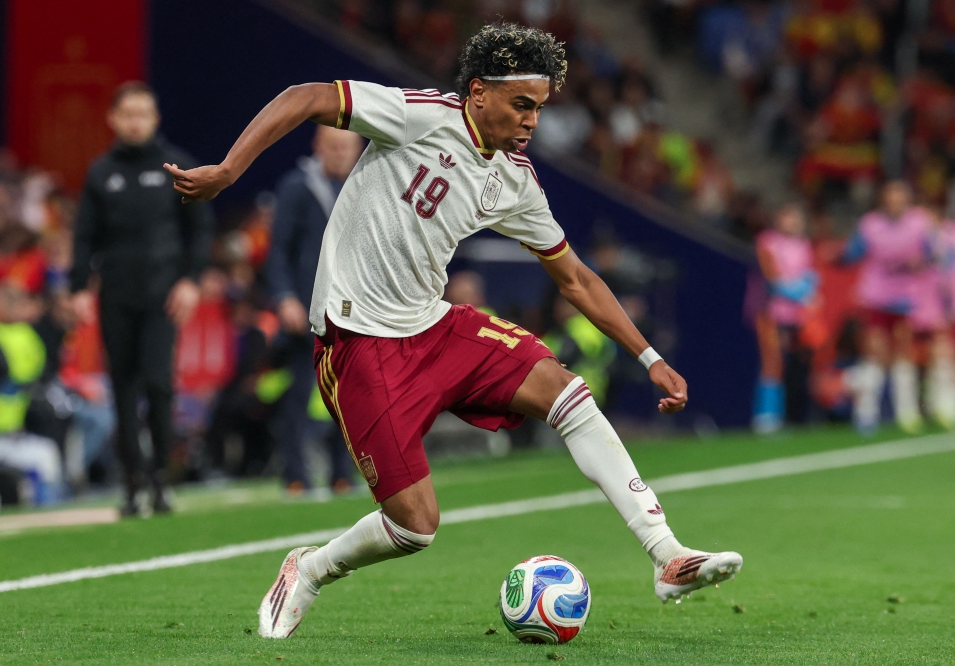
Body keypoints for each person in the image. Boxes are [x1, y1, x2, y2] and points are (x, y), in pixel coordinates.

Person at [165, 22, 742, 639]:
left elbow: (575, 279)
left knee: (566, 391)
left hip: (433, 325)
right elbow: (306, 96)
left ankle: (666, 555)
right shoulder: (420, 116)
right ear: (478, 92)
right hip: (357, 340)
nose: (531, 121)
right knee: (414, 526)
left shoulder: (514, 180)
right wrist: (229, 170)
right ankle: (309, 569)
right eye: (521, 104)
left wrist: (649, 356)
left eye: (539, 108)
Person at [69, 82, 215, 517]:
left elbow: (201, 228)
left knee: (158, 382)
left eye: (143, 114)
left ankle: (161, 480)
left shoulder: (176, 166)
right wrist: (78, 288)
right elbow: (83, 236)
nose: (135, 122)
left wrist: (191, 281)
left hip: (161, 296)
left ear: (155, 119)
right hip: (115, 295)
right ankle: (132, 483)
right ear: (113, 119)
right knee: (122, 386)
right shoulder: (100, 172)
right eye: (128, 114)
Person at [265, 126, 363, 494]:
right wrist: (284, 296)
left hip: (352, 308)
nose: (340, 153)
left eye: (346, 147)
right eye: (333, 146)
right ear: (318, 146)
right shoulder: (297, 187)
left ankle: (343, 473)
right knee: (300, 394)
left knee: (350, 393)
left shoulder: (364, 185)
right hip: (307, 307)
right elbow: (279, 249)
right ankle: (295, 475)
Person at [841, 181, 934, 434]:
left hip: (905, 298)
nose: (895, 203)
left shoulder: (920, 222)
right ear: (883, 201)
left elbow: (934, 254)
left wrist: (921, 261)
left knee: (903, 353)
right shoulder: (870, 224)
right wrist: (840, 255)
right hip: (876, 297)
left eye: (900, 199)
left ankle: (907, 413)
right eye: (890, 199)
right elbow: (851, 253)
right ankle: (866, 413)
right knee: (876, 353)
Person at [753, 204, 820, 433]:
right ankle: (766, 416)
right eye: (787, 217)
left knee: (797, 366)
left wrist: (808, 291)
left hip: (797, 316)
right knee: (772, 362)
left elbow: (811, 276)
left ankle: (791, 416)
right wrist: (801, 291)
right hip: (770, 313)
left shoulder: (804, 245)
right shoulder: (767, 241)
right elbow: (772, 278)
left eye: (796, 218)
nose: (792, 223)